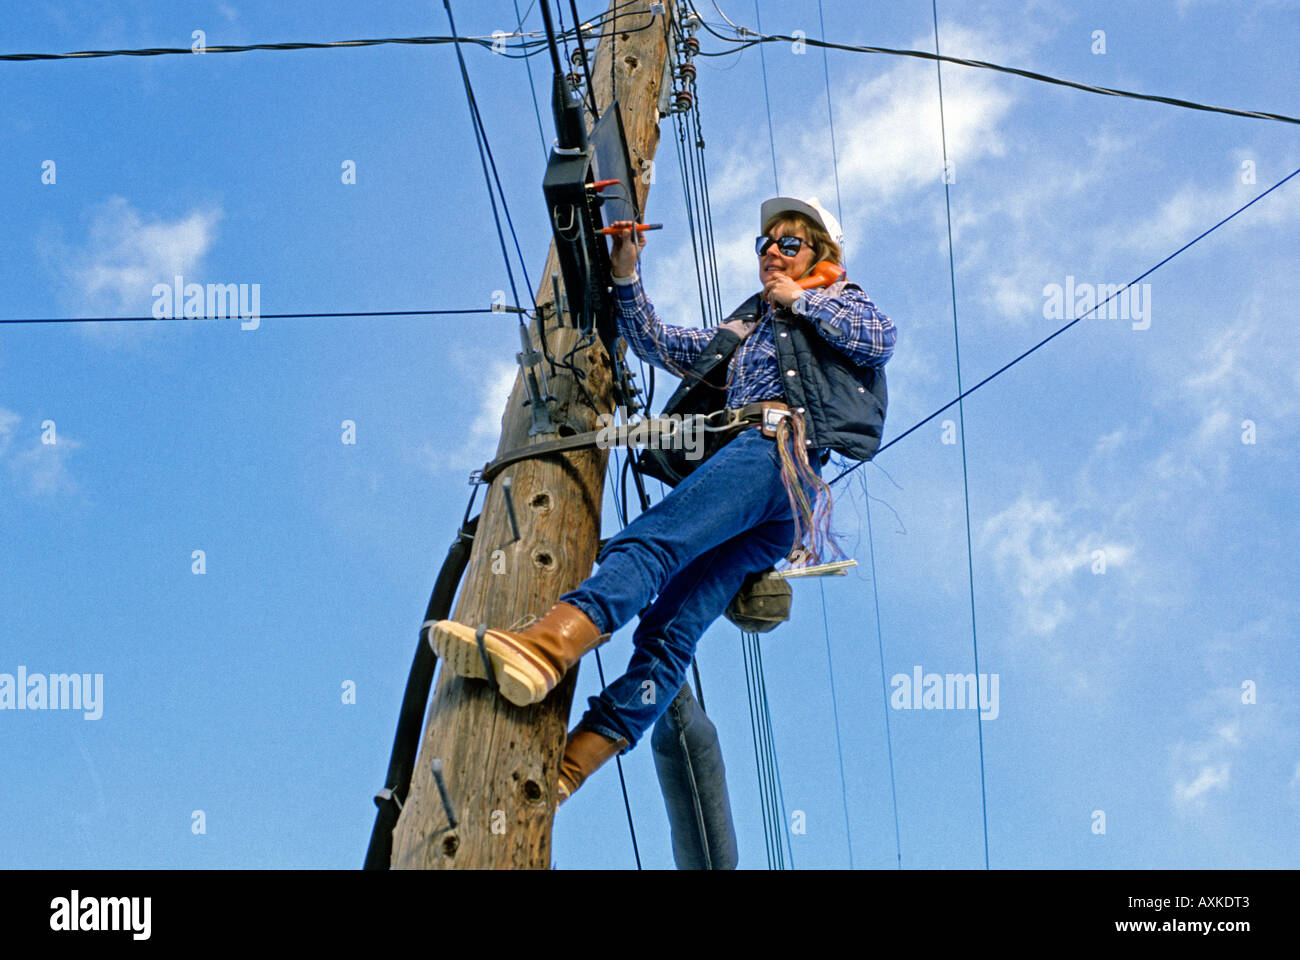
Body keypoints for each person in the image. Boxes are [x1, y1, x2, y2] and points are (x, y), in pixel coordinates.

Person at [431, 196, 896, 804]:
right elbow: (655, 340)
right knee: (671, 629)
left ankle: (545, 649)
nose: (772, 254)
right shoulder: (746, 331)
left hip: (775, 451)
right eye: (765, 245)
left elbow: (879, 339)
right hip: (774, 493)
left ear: (821, 255)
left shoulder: (838, 302)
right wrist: (625, 270)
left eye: (789, 243)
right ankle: (572, 767)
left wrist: (800, 298)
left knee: (652, 543)